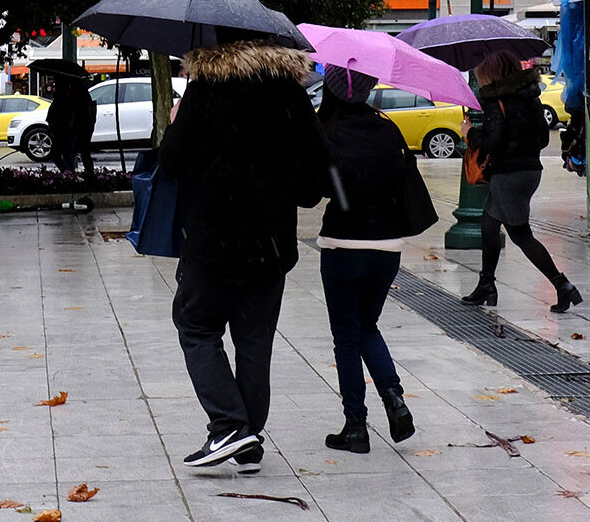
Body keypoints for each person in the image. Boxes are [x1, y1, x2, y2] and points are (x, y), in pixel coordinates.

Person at [159, 38, 331, 473]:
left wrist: (177, 123)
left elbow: (172, 163)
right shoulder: (290, 94)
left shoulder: (204, 90)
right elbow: (317, 179)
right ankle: (247, 442)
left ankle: (230, 426)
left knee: (196, 327)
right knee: (255, 345)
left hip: (213, 243)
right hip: (270, 247)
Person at [316, 65, 417, 454]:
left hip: (343, 244)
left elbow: (314, 191)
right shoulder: (388, 128)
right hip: (387, 246)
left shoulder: (328, 129)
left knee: (347, 337)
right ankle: (394, 397)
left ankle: (356, 425)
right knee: (367, 326)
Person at [462, 51, 583, 313]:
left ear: (491, 73)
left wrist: (470, 133)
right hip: (530, 171)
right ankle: (486, 284)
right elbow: (541, 139)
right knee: (488, 223)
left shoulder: (496, 100)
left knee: (521, 234)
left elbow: (493, 143)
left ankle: (563, 285)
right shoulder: (530, 97)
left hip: (508, 175)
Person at [45, 79, 78, 173]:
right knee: (64, 155)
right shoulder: (59, 100)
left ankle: (68, 173)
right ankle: (68, 172)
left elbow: (69, 116)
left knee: (63, 154)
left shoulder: (66, 100)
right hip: (61, 131)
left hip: (64, 131)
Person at [72, 80, 96, 173]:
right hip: (85, 127)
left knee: (80, 151)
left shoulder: (80, 100)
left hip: (81, 128)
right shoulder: (85, 98)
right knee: (84, 151)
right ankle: (89, 173)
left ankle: (71, 173)